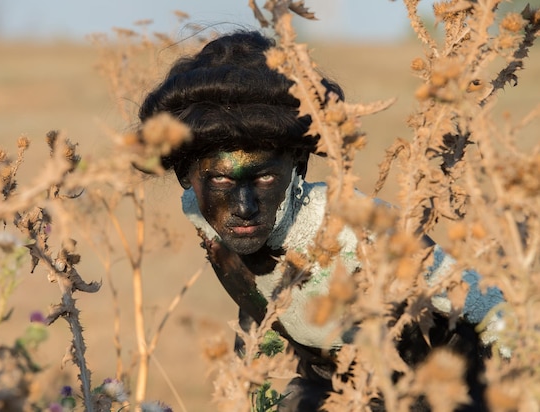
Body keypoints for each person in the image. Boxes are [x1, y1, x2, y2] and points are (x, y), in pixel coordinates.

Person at [138, 30, 503, 411]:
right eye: (221, 179)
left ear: (298, 165)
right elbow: (256, 295)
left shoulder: (354, 229)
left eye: (264, 178)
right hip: (331, 389)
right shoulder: (203, 213)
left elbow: (491, 307)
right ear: (186, 176)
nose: (243, 206)